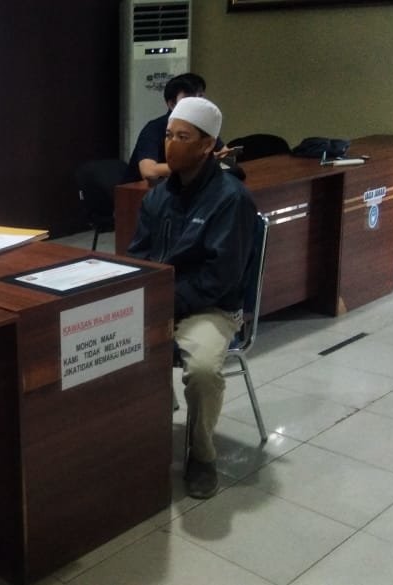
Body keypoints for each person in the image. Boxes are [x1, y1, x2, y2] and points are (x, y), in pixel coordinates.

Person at [127, 97, 258, 499]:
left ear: (207, 145)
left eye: (182, 137)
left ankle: (202, 456)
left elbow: (220, 277)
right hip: (162, 301)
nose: (170, 144)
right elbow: (138, 255)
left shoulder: (231, 198)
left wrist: (167, 306)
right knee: (110, 347)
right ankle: (139, 437)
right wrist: (142, 302)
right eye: (168, 135)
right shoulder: (157, 197)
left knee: (201, 369)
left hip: (211, 308)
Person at [124, 73, 236, 184]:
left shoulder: (203, 126)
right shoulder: (153, 129)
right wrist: (193, 167)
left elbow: (227, 159)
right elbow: (149, 171)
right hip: (139, 190)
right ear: (172, 104)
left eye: (200, 96)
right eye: (190, 98)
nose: (197, 103)